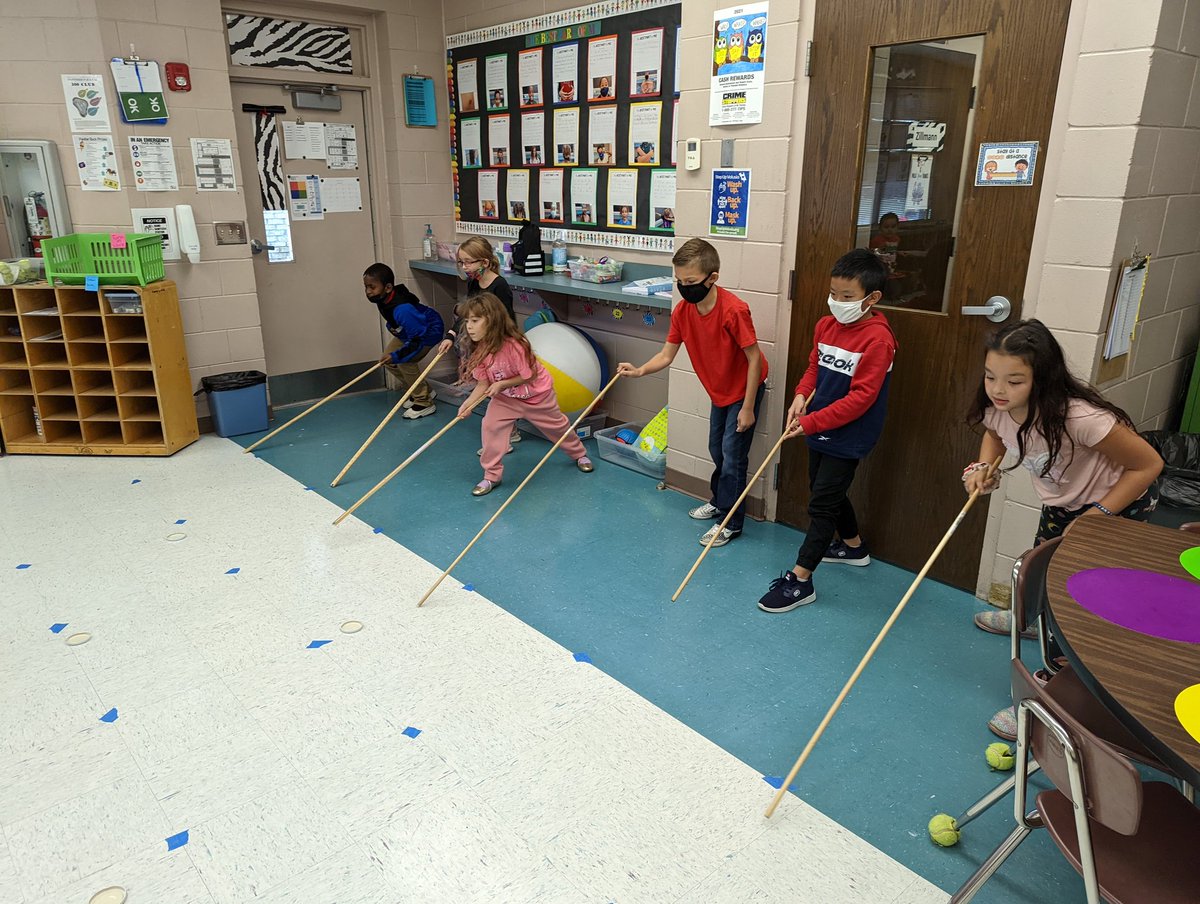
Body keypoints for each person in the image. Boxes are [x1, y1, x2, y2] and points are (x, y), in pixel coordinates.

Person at [962, 319, 1162, 739]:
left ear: (1043, 380)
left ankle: (1052, 697)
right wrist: (982, 468)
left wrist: (1097, 517)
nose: (999, 390)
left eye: (1014, 381)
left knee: (1081, 606)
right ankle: (1034, 619)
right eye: (990, 376)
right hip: (1064, 504)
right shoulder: (997, 404)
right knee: (1044, 575)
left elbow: (1148, 465)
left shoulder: (1082, 418)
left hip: (1116, 506)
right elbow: (995, 433)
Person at [757, 249, 895, 612]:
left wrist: (810, 423)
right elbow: (814, 369)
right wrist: (801, 397)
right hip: (817, 424)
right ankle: (853, 546)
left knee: (821, 503)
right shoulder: (825, 325)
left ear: (872, 298)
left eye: (847, 297)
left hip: (849, 433)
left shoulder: (878, 340)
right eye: (834, 293)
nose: (837, 302)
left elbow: (862, 398)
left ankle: (801, 580)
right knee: (826, 491)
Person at [617, 238, 768, 548]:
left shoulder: (734, 310)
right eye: (679, 281)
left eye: (690, 282)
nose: (684, 288)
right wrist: (640, 370)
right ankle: (718, 499)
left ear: (712, 278)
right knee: (717, 450)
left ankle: (730, 521)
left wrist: (749, 407)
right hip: (719, 392)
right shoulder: (684, 311)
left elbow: (754, 359)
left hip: (744, 390)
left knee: (733, 458)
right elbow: (667, 354)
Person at [457, 293, 594, 495]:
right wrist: (468, 404)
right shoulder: (480, 351)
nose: (469, 326)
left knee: (558, 428)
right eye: (467, 321)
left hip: (537, 396)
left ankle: (579, 454)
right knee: (490, 427)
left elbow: (528, 376)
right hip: (506, 399)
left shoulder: (515, 345)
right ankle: (491, 476)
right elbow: (482, 384)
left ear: (492, 321)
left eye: (475, 321)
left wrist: (502, 383)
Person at [438, 236, 521, 453]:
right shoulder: (473, 282)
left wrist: (495, 347)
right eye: (462, 263)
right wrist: (450, 335)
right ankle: (506, 432)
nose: (465, 267)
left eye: (468, 262)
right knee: (493, 391)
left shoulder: (500, 286)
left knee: (502, 391)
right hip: (484, 344)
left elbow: (506, 319)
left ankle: (505, 436)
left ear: (484, 262)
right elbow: (468, 313)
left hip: (500, 344)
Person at [362, 263, 445, 420]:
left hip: (427, 331)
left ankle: (424, 402)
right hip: (409, 331)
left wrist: (397, 355)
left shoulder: (403, 309)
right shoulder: (382, 298)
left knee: (405, 361)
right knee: (387, 360)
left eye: (372, 287)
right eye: (366, 287)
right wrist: (393, 355)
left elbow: (417, 340)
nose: (368, 292)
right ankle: (423, 390)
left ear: (387, 287)